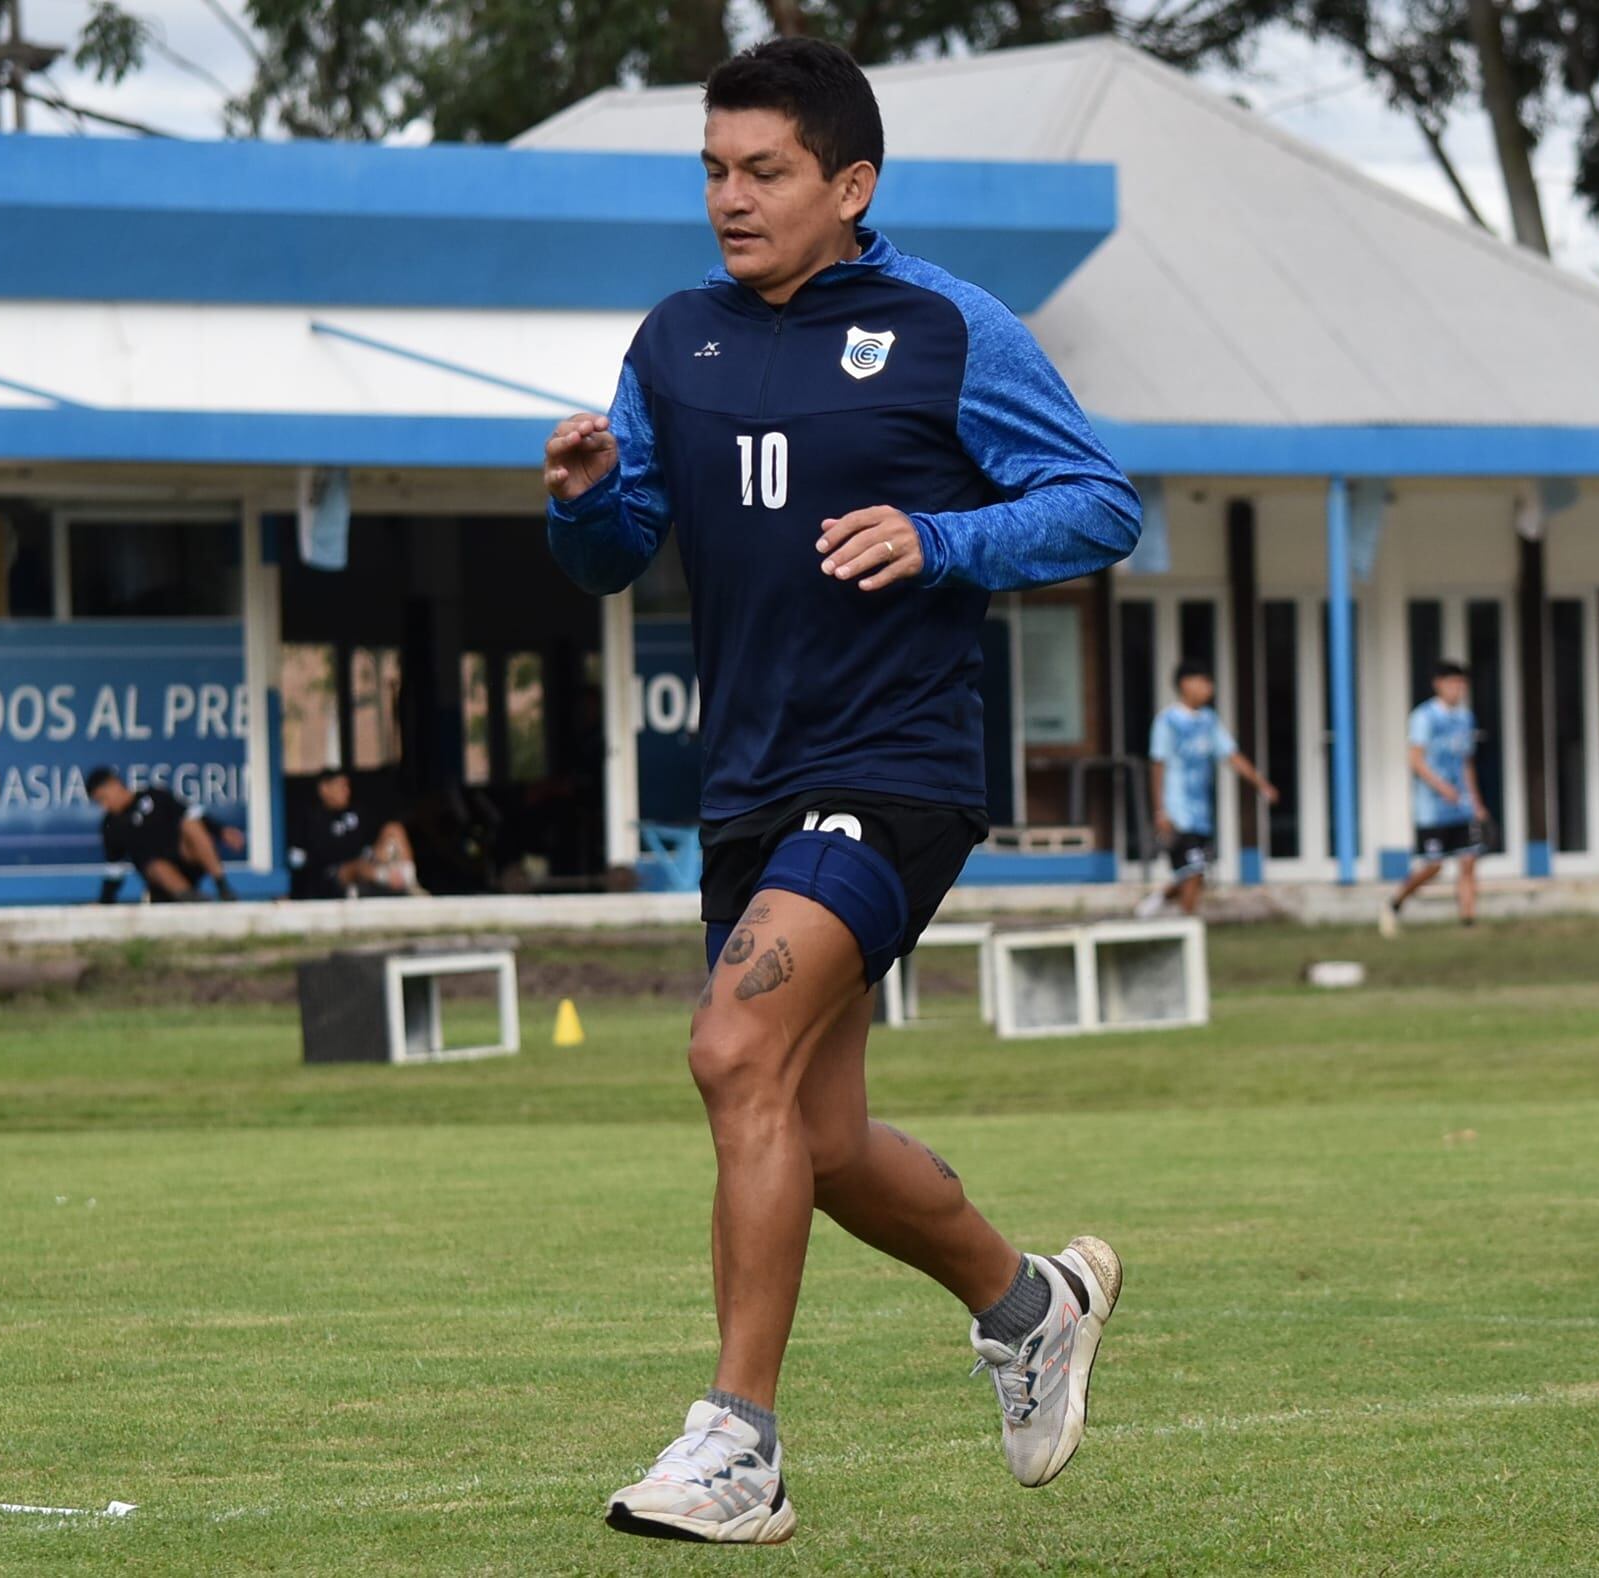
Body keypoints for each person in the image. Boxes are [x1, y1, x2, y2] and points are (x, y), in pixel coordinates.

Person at [542, 38, 1141, 1545]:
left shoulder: (946, 327)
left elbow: (1100, 500)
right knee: (815, 1133)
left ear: (849, 184)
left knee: (730, 1045)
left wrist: (940, 542)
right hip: (747, 783)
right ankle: (1032, 1304)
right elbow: (620, 547)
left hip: (894, 767)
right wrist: (585, 499)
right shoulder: (674, 340)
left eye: (765, 172)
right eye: (713, 170)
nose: (730, 199)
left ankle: (738, 1444)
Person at [1136, 661, 1277, 918]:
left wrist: (1261, 783)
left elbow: (1231, 756)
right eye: (1203, 682)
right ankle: (1188, 928)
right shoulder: (1167, 721)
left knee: (1194, 871)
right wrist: (1160, 811)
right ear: (1185, 684)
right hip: (1176, 810)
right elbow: (1158, 764)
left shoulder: (1209, 721)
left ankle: (1158, 900)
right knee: (1193, 871)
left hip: (1201, 812)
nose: (1209, 688)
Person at [1379, 661, 1488, 937]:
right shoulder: (1424, 717)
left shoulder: (1465, 718)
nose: (1458, 689)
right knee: (1434, 865)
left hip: (1461, 805)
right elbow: (1416, 760)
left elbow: (1466, 762)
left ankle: (1468, 921)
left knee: (1468, 860)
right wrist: (1442, 788)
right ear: (1438, 684)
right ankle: (1395, 902)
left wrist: (1475, 800)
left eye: (1462, 684)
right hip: (1432, 808)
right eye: (1453, 683)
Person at [86, 767, 244, 903]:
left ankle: (222, 886)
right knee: (156, 866)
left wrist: (221, 831)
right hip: (161, 880)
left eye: (103, 798)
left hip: (188, 860)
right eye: (99, 802)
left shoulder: (155, 795)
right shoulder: (111, 825)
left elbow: (192, 814)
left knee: (190, 824)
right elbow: (115, 869)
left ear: (114, 784)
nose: (104, 805)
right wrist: (104, 901)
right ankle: (193, 899)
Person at [286, 769, 421, 900]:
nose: (346, 791)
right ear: (324, 789)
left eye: (347, 786)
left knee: (394, 828)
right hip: (334, 874)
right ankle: (390, 879)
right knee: (358, 867)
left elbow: (372, 841)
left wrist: (378, 852)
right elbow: (301, 860)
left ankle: (410, 881)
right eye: (340, 786)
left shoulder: (357, 811)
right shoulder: (311, 818)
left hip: (366, 862)